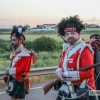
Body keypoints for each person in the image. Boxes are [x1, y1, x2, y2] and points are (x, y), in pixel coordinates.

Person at [55, 15, 98, 100]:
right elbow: (60, 66)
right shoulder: (66, 50)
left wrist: (67, 75)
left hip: (84, 89)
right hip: (68, 88)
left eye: (73, 33)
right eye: (67, 34)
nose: (70, 36)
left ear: (79, 34)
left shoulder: (85, 49)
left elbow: (89, 73)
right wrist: (59, 73)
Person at [5, 25, 37, 100]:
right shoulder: (15, 53)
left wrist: (9, 71)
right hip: (14, 80)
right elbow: (14, 65)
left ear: (20, 41)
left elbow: (23, 69)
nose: (12, 42)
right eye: (11, 40)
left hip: (20, 81)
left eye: (14, 40)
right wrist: (8, 69)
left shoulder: (25, 53)